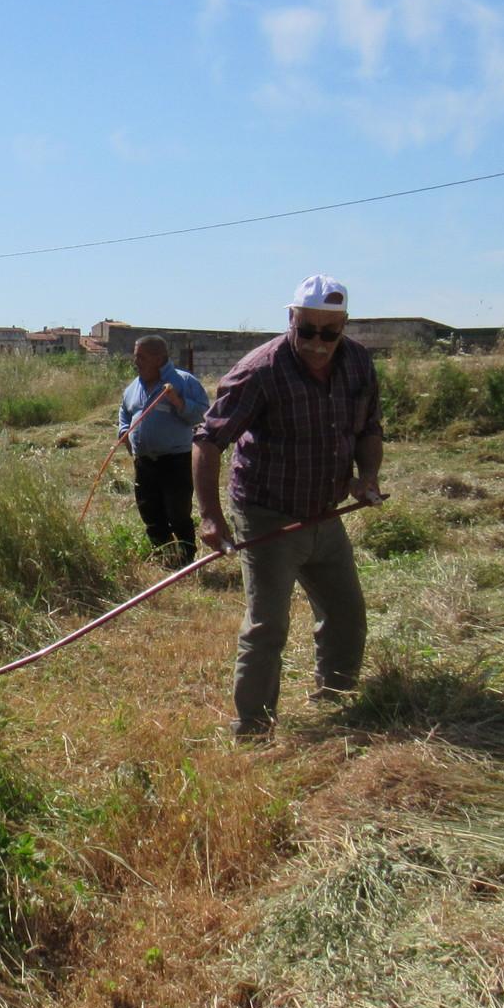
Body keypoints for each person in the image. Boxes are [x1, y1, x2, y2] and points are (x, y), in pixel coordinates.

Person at [192, 274, 383, 738]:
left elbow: (368, 429)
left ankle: (335, 697)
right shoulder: (261, 371)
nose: (318, 343)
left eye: (329, 333)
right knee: (268, 625)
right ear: (291, 320)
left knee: (346, 614)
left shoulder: (358, 362)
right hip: (268, 514)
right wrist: (211, 516)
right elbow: (208, 440)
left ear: (344, 325)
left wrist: (367, 478)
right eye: (307, 330)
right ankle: (253, 727)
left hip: (324, 510)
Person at [119, 335, 209, 564]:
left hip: (175, 461)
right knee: (150, 512)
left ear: (159, 359)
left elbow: (203, 414)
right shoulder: (133, 388)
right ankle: (165, 558)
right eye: (135, 356)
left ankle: (186, 559)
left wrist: (178, 402)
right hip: (144, 462)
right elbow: (125, 412)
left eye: (141, 357)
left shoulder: (184, 382)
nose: (136, 362)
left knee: (177, 513)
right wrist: (123, 432)